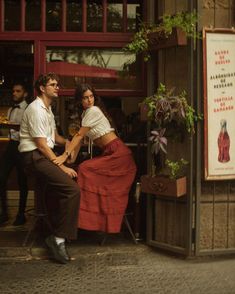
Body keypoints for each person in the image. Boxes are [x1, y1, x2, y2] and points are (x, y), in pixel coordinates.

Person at [53, 83, 137, 233]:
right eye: (85, 98)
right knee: (83, 168)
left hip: (118, 154)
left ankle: (86, 220)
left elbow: (79, 136)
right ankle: (89, 221)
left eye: (91, 96)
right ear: (79, 100)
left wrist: (64, 155)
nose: (89, 100)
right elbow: (80, 138)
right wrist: (72, 159)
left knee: (85, 169)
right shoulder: (86, 114)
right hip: (111, 153)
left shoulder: (94, 110)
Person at [19, 73, 80, 264]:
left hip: (43, 155)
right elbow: (42, 145)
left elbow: (54, 138)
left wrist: (70, 141)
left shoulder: (48, 109)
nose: (57, 87)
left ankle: (51, 233)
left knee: (63, 188)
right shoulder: (35, 109)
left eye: (57, 85)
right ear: (42, 89)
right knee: (72, 190)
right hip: (34, 157)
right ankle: (58, 239)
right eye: (53, 85)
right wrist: (61, 166)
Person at [0, 82, 29, 226]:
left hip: (22, 146)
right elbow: (10, 130)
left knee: (22, 181)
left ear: (25, 94)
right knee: (1, 178)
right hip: (11, 146)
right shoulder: (11, 109)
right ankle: (4, 213)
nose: (14, 93)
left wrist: (13, 127)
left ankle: (21, 214)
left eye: (18, 91)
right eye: (13, 91)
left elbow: (28, 129)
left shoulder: (28, 110)